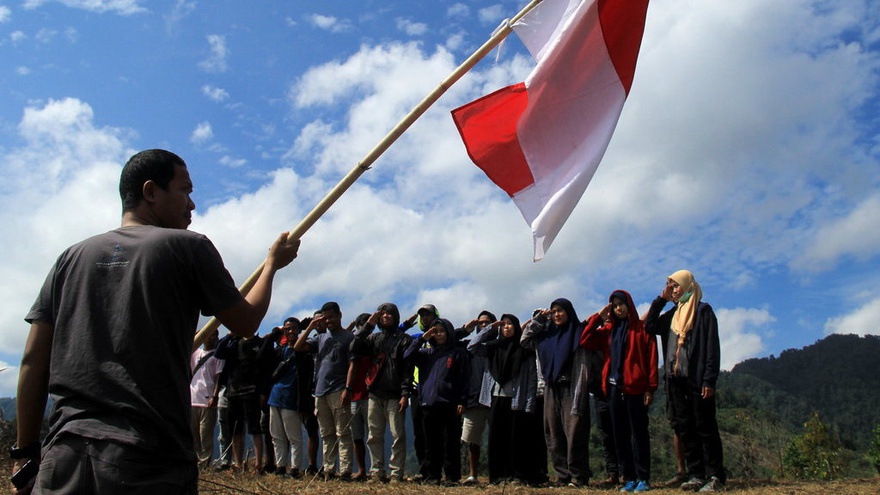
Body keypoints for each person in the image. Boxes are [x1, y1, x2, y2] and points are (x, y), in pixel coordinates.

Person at [14, 149, 299, 494]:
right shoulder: (188, 247)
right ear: (151, 192)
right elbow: (245, 322)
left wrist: (26, 453)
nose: (191, 204)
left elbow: (32, 360)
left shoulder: (69, 259)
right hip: (149, 458)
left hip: (63, 457)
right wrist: (272, 265)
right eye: (185, 190)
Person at [645, 270, 726, 492]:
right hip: (675, 380)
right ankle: (696, 474)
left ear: (688, 286)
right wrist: (661, 300)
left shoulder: (703, 311)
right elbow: (649, 326)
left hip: (698, 380)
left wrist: (709, 379)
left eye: (675, 286)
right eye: (669, 286)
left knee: (705, 427)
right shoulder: (672, 315)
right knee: (686, 428)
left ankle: (715, 475)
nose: (672, 290)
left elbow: (712, 348)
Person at [582, 290, 659, 493]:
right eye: (615, 305)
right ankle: (630, 478)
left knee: (639, 435)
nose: (618, 308)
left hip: (636, 390)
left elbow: (651, 359)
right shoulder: (608, 331)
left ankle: (643, 477)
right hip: (614, 390)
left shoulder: (642, 330)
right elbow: (585, 339)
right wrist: (599, 317)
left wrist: (650, 388)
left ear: (629, 304)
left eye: (621, 304)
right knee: (620, 436)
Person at [521, 298, 601, 488]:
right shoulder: (546, 336)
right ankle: (562, 476)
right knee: (553, 432)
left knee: (575, 431)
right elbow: (525, 340)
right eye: (554, 311)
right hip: (551, 388)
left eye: (560, 311)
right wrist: (540, 319)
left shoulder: (577, 333)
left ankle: (578, 476)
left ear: (569, 312)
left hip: (572, 388)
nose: (557, 315)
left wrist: (580, 392)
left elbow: (584, 362)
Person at [469, 314, 542, 486]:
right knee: (496, 439)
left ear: (516, 327)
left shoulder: (524, 349)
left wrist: (530, 402)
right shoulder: (493, 347)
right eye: (504, 325)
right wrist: (490, 328)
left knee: (516, 439)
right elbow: (472, 346)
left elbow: (532, 377)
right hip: (496, 398)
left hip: (516, 400)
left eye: (510, 324)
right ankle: (498, 476)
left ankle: (517, 475)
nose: (506, 327)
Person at [350, 303, 414, 483]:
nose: (385, 316)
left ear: (396, 316)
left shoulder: (404, 339)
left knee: (397, 435)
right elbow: (354, 346)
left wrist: (405, 393)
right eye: (382, 314)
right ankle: (376, 471)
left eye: (389, 313)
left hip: (394, 394)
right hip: (374, 394)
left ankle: (396, 473)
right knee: (374, 435)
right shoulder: (373, 338)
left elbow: (407, 369)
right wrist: (368, 325)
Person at [294, 302, 355, 481]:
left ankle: (344, 471)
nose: (328, 321)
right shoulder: (320, 338)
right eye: (325, 318)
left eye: (331, 317)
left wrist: (348, 388)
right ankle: (329, 469)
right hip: (319, 391)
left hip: (339, 389)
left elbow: (353, 364)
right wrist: (311, 327)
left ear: (340, 315)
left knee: (342, 432)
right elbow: (298, 347)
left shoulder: (348, 337)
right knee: (326, 433)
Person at [404, 318, 469, 485]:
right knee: (431, 442)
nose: (438, 334)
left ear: (448, 332)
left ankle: (452, 477)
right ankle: (432, 476)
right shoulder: (426, 354)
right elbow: (407, 355)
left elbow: (463, 378)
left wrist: (462, 400)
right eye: (435, 331)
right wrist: (422, 338)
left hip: (450, 403)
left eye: (442, 330)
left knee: (450, 442)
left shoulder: (457, 353)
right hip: (428, 403)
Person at [457, 310, 497, 485]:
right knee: (472, 441)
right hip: (473, 399)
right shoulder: (468, 347)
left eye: (487, 322)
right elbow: (450, 339)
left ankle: (497, 475)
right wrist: (465, 328)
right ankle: (473, 475)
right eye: (480, 323)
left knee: (497, 439)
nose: (483, 325)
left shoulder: (498, 345)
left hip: (496, 399)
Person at [265, 318, 306, 478]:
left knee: (294, 436)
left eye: (294, 328)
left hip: (291, 397)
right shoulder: (280, 350)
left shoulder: (304, 349)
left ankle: (295, 468)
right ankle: (280, 466)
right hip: (275, 396)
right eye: (287, 329)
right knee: (276, 435)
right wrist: (274, 334)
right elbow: (262, 356)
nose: (290, 332)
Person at [190, 329, 225, 470]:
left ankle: (204, 464)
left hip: (207, 400)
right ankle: (195, 462)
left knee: (205, 435)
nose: (211, 338)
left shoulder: (218, 356)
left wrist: (214, 396)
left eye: (214, 335)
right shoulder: (195, 353)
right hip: (192, 398)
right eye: (208, 335)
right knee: (193, 435)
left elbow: (218, 378)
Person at [345, 313, 373, 481]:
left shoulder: (376, 344)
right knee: (357, 437)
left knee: (372, 436)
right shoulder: (352, 345)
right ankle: (362, 470)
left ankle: (375, 469)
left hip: (370, 395)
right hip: (354, 395)